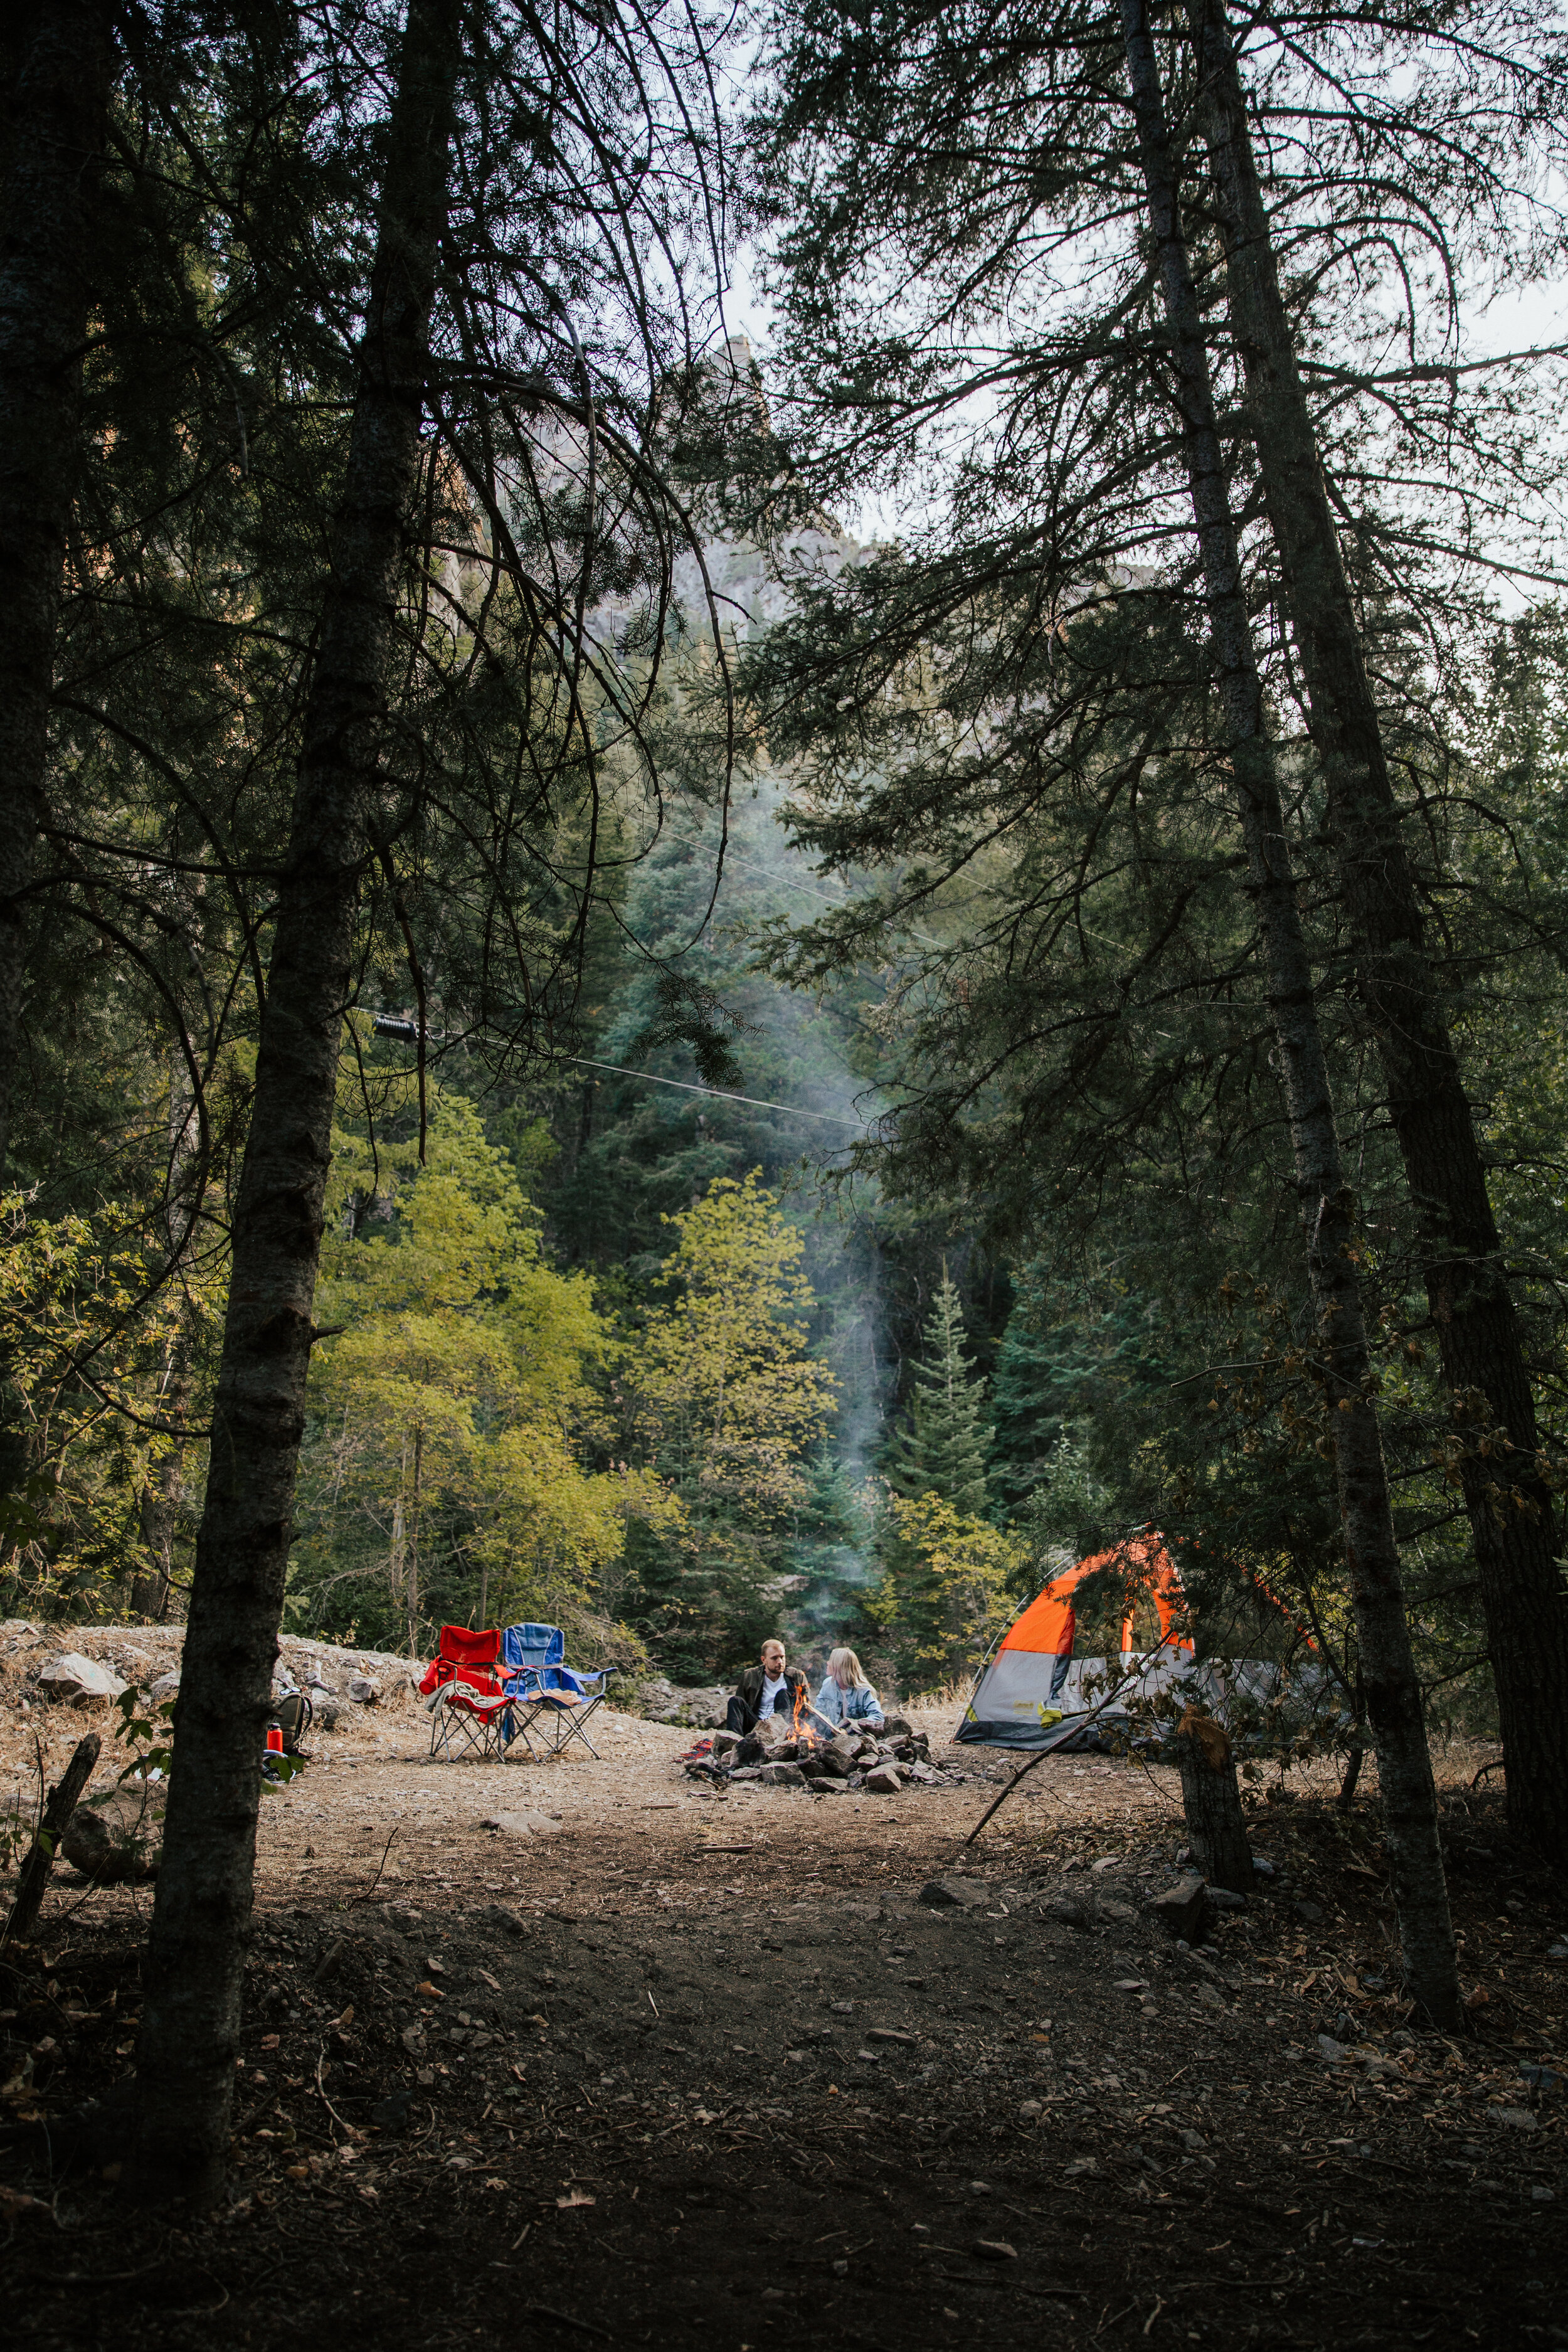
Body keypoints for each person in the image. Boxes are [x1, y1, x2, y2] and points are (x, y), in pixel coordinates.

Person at [726, 1638, 808, 1735]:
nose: (780, 1662)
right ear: (763, 1660)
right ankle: (733, 1741)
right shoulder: (751, 1676)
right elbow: (741, 1708)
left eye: (782, 1657)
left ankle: (783, 1739)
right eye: (774, 1658)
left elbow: (806, 1706)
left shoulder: (796, 1676)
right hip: (756, 1724)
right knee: (735, 1701)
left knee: (782, 1693)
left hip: (783, 1726)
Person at [813, 1646, 885, 1730]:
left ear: (839, 1666)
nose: (828, 1663)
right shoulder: (827, 1684)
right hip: (832, 1738)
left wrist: (854, 1724)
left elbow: (878, 1717)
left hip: (856, 1740)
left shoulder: (863, 1691)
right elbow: (818, 1714)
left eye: (831, 1661)